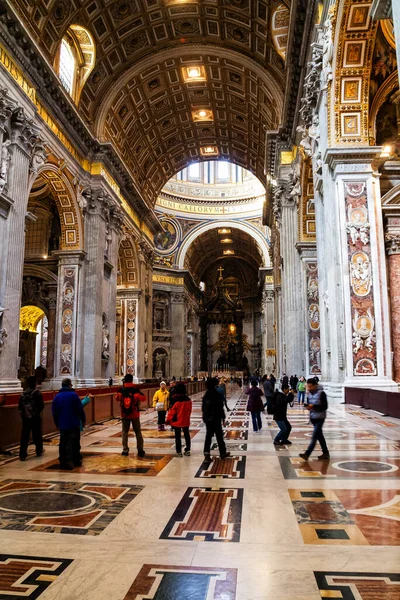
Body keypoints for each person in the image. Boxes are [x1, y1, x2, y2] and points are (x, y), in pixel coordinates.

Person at [52, 378, 86, 470]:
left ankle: (63, 460)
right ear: (69, 385)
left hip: (62, 424)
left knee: (63, 442)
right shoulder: (73, 395)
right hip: (73, 423)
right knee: (73, 442)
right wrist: (83, 419)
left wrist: (57, 424)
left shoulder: (57, 397)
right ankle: (73, 460)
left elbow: (54, 412)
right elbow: (79, 409)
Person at [299, 378, 330, 460]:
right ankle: (326, 453)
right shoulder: (309, 394)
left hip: (320, 417)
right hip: (313, 417)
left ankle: (307, 453)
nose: (309, 388)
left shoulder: (321, 393)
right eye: (308, 386)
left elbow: (325, 406)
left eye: (310, 386)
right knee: (320, 436)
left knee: (314, 436)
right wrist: (308, 407)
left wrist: (314, 407)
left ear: (315, 385)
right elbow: (309, 403)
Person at [116, 374, 146, 457]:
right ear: (132, 380)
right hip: (134, 414)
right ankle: (140, 450)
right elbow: (143, 398)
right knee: (138, 432)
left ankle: (125, 450)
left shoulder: (121, 389)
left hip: (124, 414)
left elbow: (117, 398)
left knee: (124, 432)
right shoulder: (135, 389)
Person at [202, 378, 230, 460]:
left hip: (208, 418)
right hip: (216, 418)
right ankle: (222, 453)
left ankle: (206, 453)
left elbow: (204, 407)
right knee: (219, 436)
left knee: (208, 436)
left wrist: (205, 417)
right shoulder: (216, 394)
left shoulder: (206, 395)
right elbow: (219, 407)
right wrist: (223, 417)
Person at [18, 375, 44, 461]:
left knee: (24, 435)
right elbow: (41, 406)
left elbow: (20, 407)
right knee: (37, 434)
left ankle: (22, 454)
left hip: (25, 417)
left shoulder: (23, 394)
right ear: (35, 383)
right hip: (35, 417)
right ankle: (39, 450)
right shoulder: (37, 393)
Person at [166, 383, 192, 457]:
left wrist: (168, 420)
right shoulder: (188, 400)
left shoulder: (175, 400)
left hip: (177, 420)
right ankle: (187, 450)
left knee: (178, 437)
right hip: (185, 420)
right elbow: (189, 410)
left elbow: (172, 411)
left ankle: (179, 451)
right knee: (187, 435)